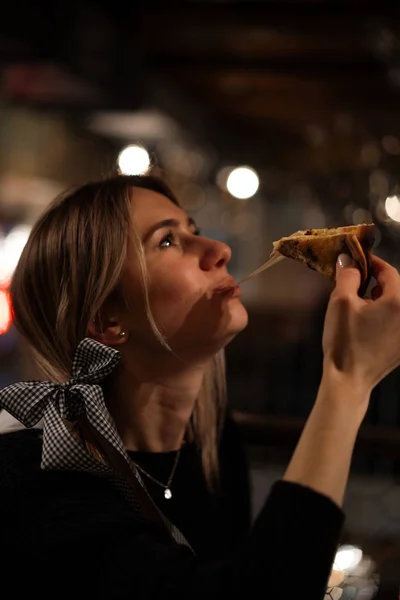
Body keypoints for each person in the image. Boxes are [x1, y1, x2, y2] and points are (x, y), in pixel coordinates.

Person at [1, 174, 400, 600]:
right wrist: (346, 378)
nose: (219, 251)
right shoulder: (37, 482)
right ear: (107, 320)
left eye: (192, 230)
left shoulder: (214, 449)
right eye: (168, 242)